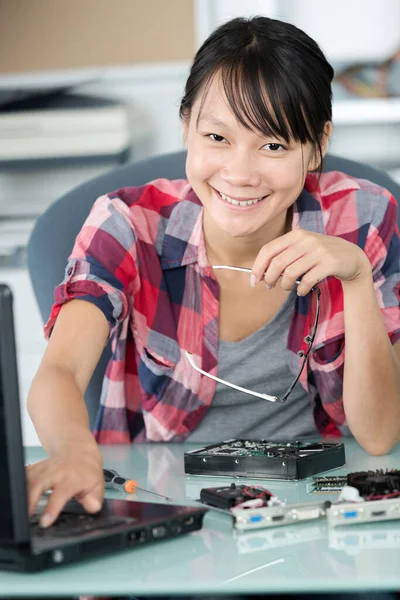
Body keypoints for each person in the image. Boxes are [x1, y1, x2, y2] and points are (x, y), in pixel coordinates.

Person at [26, 16, 400, 531]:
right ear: (186, 128)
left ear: (316, 146)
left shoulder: (364, 216)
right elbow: (60, 372)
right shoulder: (128, 224)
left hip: (314, 515)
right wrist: (71, 452)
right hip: (160, 508)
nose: (240, 173)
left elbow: (379, 435)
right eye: (217, 137)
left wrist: (356, 279)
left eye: (273, 145)